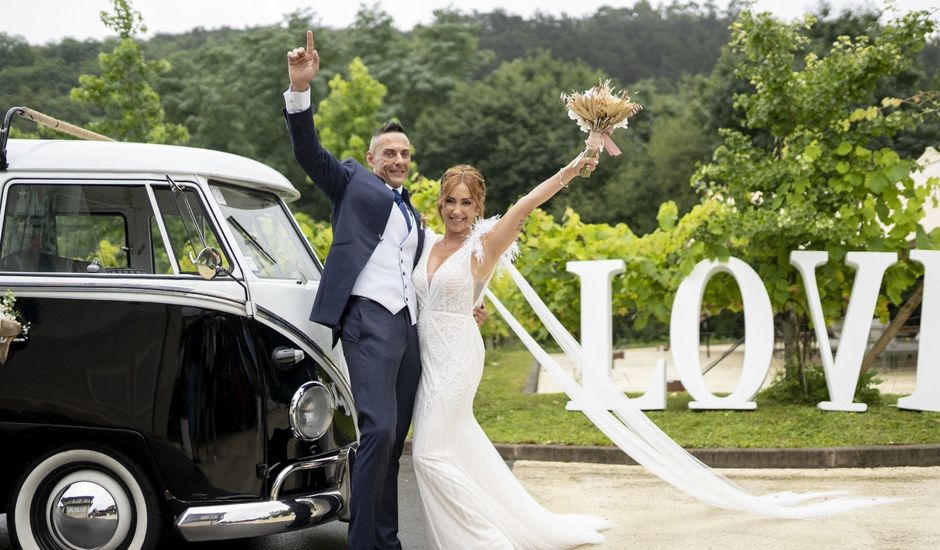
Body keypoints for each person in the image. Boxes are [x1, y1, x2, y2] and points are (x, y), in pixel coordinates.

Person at [411, 155, 614, 549]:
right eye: (451, 201)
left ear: (478, 207)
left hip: (458, 358)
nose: (457, 210)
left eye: (466, 203)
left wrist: (572, 168)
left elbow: (525, 205)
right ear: (440, 203)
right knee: (453, 447)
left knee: (427, 455)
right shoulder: (428, 242)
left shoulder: (484, 246)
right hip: (427, 359)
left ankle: (490, 539)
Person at [283, 30, 424, 550]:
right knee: (379, 432)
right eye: (389, 152)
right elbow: (308, 153)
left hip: (408, 330)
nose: (399, 159)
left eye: (405, 153)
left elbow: (419, 273)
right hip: (367, 320)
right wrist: (300, 91)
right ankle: (362, 543)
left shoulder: (413, 212)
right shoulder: (349, 180)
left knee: (393, 445)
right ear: (371, 156)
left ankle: (386, 541)